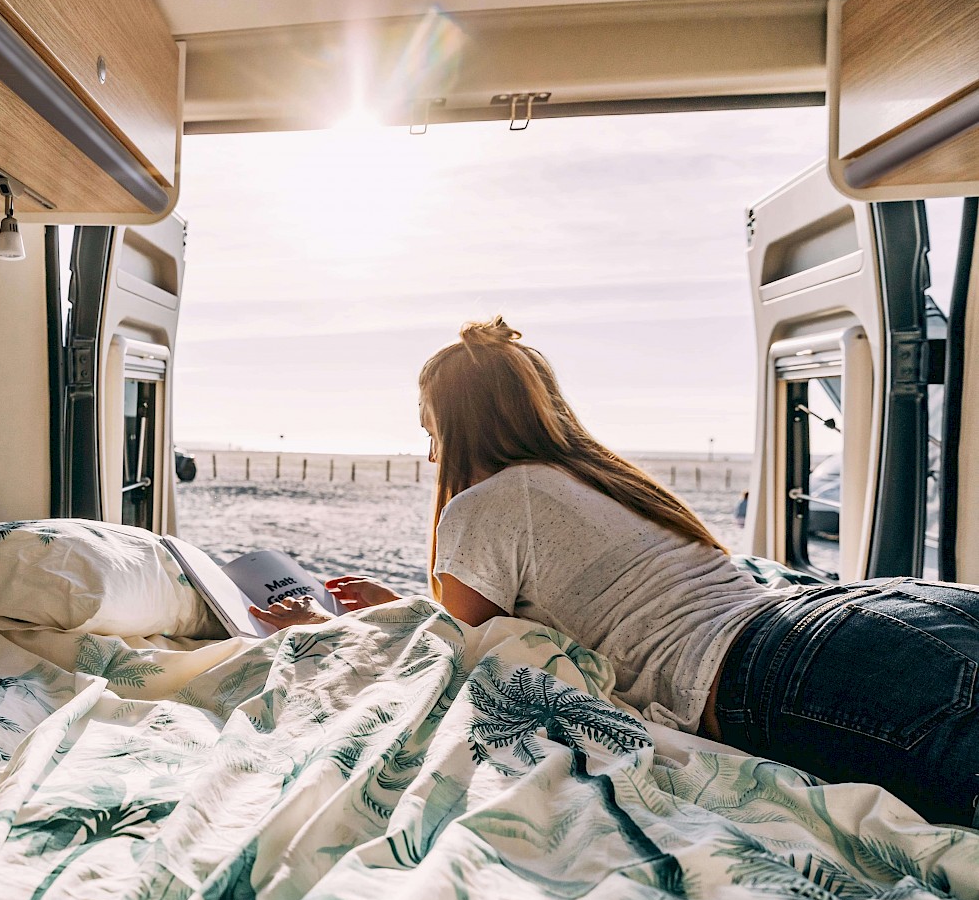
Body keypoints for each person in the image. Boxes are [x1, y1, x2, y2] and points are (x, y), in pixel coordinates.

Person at [249, 317, 979, 828]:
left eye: (433, 433)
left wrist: (328, 627)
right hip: (857, 612)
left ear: (460, 427)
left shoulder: (483, 503)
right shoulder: (599, 477)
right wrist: (399, 603)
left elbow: (446, 655)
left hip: (784, 669)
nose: (434, 457)